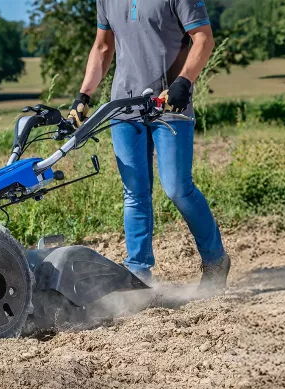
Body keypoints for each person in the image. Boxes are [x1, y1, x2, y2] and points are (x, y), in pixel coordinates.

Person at [71, 0, 229, 293]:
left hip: (169, 103)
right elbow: (103, 48)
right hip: (124, 106)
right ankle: (138, 272)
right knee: (134, 192)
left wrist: (185, 81)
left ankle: (216, 259)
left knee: (177, 188)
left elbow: (204, 39)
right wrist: (84, 95)